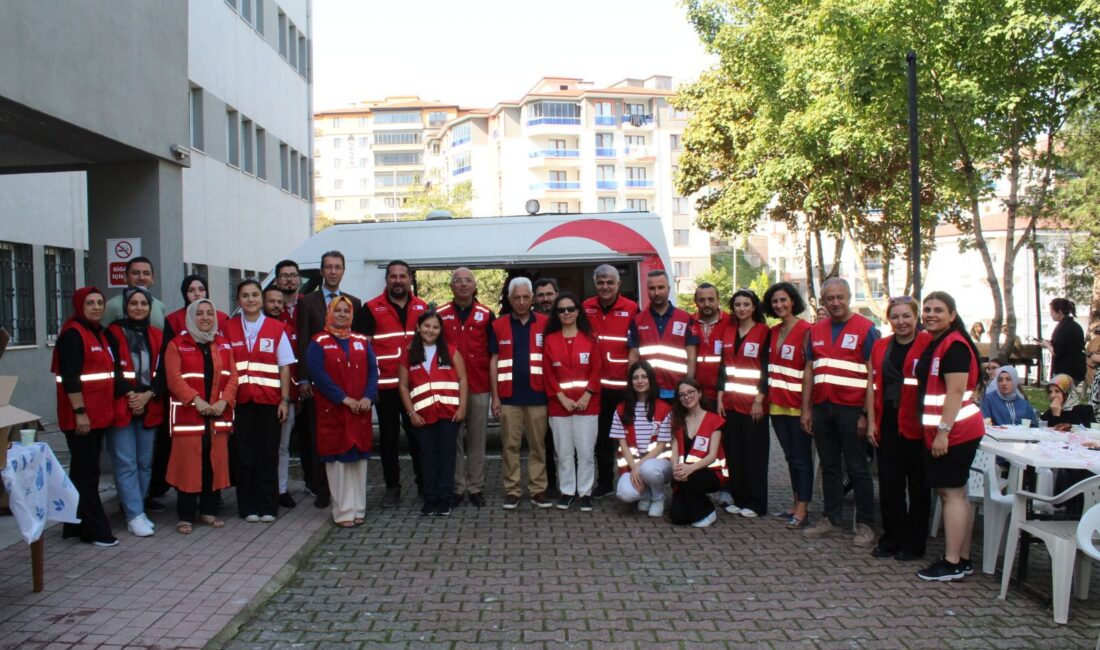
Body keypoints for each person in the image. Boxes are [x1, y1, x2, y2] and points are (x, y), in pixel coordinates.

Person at [800, 277, 880, 547]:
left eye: (840, 297)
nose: (835, 303)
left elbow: (873, 375)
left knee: (858, 469)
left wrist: (866, 415)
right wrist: (806, 409)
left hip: (852, 410)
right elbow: (809, 371)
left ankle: (866, 525)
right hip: (822, 409)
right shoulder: (816, 330)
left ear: (849, 297)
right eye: (829, 298)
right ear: (822, 301)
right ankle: (831, 519)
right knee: (830, 468)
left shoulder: (866, 329)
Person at [913, 291, 984, 581]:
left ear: (952, 315)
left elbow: (955, 392)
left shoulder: (954, 346)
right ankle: (963, 558)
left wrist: (943, 432)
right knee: (956, 494)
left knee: (951, 494)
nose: (930, 314)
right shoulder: (941, 342)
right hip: (953, 430)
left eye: (938, 310)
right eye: (927, 309)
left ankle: (952, 562)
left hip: (956, 431)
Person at [52, 287, 124, 547]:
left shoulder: (99, 334)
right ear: (79, 306)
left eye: (99, 302)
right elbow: (70, 377)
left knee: (81, 472)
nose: (96, 307)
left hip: (98, 416)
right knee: (88, 474)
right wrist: (80, 412)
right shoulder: (73, 335)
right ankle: (96, 531)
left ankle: (73, 525)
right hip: (82, 418)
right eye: (90, 303)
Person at [355, 260, 429, 508]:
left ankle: (424, 485)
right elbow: (363, 351)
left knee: (419, 438)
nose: (398, 281)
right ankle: (392, 488)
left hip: (416, 388)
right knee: (388, 441)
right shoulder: (371, 308)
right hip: (385, 388)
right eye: (393, 276)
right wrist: (368, 386)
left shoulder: (423, 308)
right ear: (386, 280)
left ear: (409, 279)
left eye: (402, 276)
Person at [865, 296, 934, 562]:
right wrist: (871, 421)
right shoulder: (880, 346)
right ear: (888, 319)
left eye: (906, 316)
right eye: (895, 317)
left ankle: (915, 543)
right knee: (890, 483)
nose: (901, 322)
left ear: (915, 317)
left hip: (917, 421)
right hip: (888, 419)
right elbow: (871, 387)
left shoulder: (928, 343)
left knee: (918, 485)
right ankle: (891, 537)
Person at [165, 299, 238, 534]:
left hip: (217, 415)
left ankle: (208, 511)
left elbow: (233, 377)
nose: (205, 317)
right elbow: (174, 380)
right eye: (199, 313)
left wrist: (223, 402)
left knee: (213, 464)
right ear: (190, 317)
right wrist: (197, 401)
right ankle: (185, 515)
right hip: (190, 416)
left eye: (209, 313)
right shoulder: (177, 345)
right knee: (188, 465)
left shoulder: (224, 345)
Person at [225, 280, 294, 522]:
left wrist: (284, 401)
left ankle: (268, 505)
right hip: (240, 403)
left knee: (267, 455)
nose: (251, 299)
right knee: (244, 456)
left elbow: (284, 367)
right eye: (245, 295)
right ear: (238, 301)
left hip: (269, 403)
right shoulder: (228, 328)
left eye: (255, 295)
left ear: (261, 299)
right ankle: (248, 506)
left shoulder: (276, 328)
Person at [297, 251, 361, 508]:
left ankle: (345, 489)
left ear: (344, 271)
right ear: (321, 271)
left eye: (338, 267)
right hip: (317, 383)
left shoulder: (353, 302)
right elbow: (302, 342)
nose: (333, 272)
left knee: (345, 434)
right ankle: (323, 490)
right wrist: (302, 379)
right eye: (329, 267)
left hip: (346, 382)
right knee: (320, 436)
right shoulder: (308, 302)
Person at [307, 296, 377, 526]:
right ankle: (343, 512)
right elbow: (319, 377)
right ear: (330, 312)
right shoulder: (318, 342)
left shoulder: (361, 341)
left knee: (358, 463)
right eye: (338, 311)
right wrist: (343, 399)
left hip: (360, 412)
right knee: (338, 465)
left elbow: (373, 372)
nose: (343, 315)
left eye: (347, 311)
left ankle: (359, 510)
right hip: (334, 412)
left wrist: (368, 397)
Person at [490, 277, 553, 509]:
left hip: (538, 395)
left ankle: (538, 490)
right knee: (510, 446)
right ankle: (512, 490)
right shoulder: (498, 325)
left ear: (532, 298)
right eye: (517, 297)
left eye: (526, 297)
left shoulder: (546, 323)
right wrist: (495, 397)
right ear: (509, 299)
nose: (522, 302)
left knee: (538, 446)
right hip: (509, 397)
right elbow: (494, 361)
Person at [106, 287, 164, 538]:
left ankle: (137, 509)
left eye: (144, 303)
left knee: (144, 463)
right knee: (126, 462)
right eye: (134, 303)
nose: (139, 307)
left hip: (149, 405)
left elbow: (164, 373)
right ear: (125, 306)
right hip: (123, 405)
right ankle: (134, 514)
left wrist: (147, 395)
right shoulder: (113, 333)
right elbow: (110, 369)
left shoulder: (157, 335)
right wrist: (131, 395)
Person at [400, 310, 468, 517]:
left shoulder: (451, 351)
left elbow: (463, 380)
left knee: (447, 457)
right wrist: (411, 413)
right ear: (418, 328)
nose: (431, 330)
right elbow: (403, 386)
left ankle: (445, 499)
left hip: (448, 415)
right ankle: (430, 499)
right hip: (422, 417)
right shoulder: (408, 354)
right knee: (427, 457)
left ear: (441, 330)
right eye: (427, 326)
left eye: (435, 327)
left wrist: (463, 407)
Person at [437, 268, 494, 508]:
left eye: (467, 281)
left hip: (479, 385)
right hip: (449, 388)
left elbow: (493, 354)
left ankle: (476, 487)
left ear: (474, 286)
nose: (462, 285)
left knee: (477, 439)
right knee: (454, 440)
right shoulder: (439, 314)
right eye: (458, 281)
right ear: (451, 286)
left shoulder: (487, 314)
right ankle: (458, 487)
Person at [542, 292, 602, 512]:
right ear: (556, 314)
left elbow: (597, 369)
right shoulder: (550, 340)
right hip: (560, 407)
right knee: (564, 452)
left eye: (570, 309)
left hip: (588, 405)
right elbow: (548, 374)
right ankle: (567, 491)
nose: (566, 313)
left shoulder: (591, 338)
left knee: (586, 452)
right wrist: (561, 398)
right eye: (561, 310)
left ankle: (585, 492)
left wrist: (587, 394)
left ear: (578, 311)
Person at [584, 264, 639, 499]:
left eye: (610, 282)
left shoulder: (632, 308)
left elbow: (635, 349)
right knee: (602, 440)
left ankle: (634, 480)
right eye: (601, 282)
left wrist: (633, 385)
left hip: (623, 387)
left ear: (618, 284)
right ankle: (605, 482)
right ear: (595, 284)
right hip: (597, 388)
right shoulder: (586, 307)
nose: (605, 286)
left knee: (629, 437)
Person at [762, 282, 814, 529]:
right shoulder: (773, 332)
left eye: (783, 300)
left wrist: (806, 410)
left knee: (802, 459)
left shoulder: (806, 331)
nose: (779, 305)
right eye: (775, 301)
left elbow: (809, 371)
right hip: (777, 406)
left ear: (793, 301)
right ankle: (795, 504)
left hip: (797, 407)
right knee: (791, 457)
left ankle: (804, 509)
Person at [717, 289, 770, 518]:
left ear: (754, 307)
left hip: (753, 406)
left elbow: (766, 370)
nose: (741, 308)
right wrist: (720, 397)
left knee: (754, 455)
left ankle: (756, 503)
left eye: (746, 304)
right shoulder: (728, 332)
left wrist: (759, 400)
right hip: (730, 404)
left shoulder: (763, 332)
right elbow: (723, 368)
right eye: (737, 304)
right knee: (735, 453)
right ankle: (739, 498)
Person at [611, 361, 672, 517]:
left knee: (648, 469)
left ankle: (658, 497)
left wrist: (638, 466)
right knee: (625, 494)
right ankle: (645, 494)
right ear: (630, 382)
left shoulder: (664, 408)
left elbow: (661, 446)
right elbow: (622, 444)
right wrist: (634, 467)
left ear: (651, 380)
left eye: (644, 377)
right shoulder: (621, 408)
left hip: (659, 465)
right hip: (633, 465)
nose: (639, 381)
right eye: (635, 377)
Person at [628, 269, 698, 401]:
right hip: (648, 392)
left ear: (669, 288)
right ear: (647, 290)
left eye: (661, 287)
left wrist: (688, 386)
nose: (656, 293)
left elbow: (691, 356)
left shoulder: (684, 318)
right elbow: (633, 357)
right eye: (652, 288)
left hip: (678, 392)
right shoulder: (638, 320)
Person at [669, 378, 726, 527]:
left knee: (691, 478)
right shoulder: (678, 420)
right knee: (677, 518)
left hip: (709, 473)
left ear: (699, 393)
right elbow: (674, 451)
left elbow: (712, 455)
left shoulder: (714, 419)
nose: (686, 397)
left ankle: (708, 511)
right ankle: (694, 504)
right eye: (682, 395)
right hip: (684, 474)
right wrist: (675, 467)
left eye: (690, 392)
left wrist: (690, 468)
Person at [264, 285, 299, 508]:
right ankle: (265, 488)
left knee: (283, 447)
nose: (276, 305)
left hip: (286, 397)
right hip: (261, 396)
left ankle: (281, 489)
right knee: (264, 447)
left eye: (279, 302)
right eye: (271, 301)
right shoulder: (256, 327)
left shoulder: (290, 328)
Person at [532, 276, 561, 497]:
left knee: (568, 442)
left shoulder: (567, 317)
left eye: (549, 294)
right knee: (545, 442)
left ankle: (573, 483)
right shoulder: (531, 321)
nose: (545, 299)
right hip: (541, 391)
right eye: (541, 295)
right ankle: (549, 483)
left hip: (566, 391)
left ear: (557, 295)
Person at [691, 282, 731, 403]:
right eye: (702, 300)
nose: (706, 304)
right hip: (697, 395)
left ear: (718, 301)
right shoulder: (689, 322)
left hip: (723, 395)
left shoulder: (731, 322)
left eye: (711, 299)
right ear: (696, 302)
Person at [103, 257, 167, 328]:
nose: (141, 278)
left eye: (146, 273)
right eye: (135, 273)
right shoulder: (111, 306)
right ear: (125, 277)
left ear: (152, 278)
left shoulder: (160, 306)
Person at [1042, 298, 1086, 386]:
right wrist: (1051, 343)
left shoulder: (1062, 327)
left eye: (1052, 311)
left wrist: (1046, 345)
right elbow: (1067, 345)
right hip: (1077, 370)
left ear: (1060, 311)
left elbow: (1056, 352)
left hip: (1065, 372)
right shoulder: (1076, 326)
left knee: (1060, 397)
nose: (1050, 314)